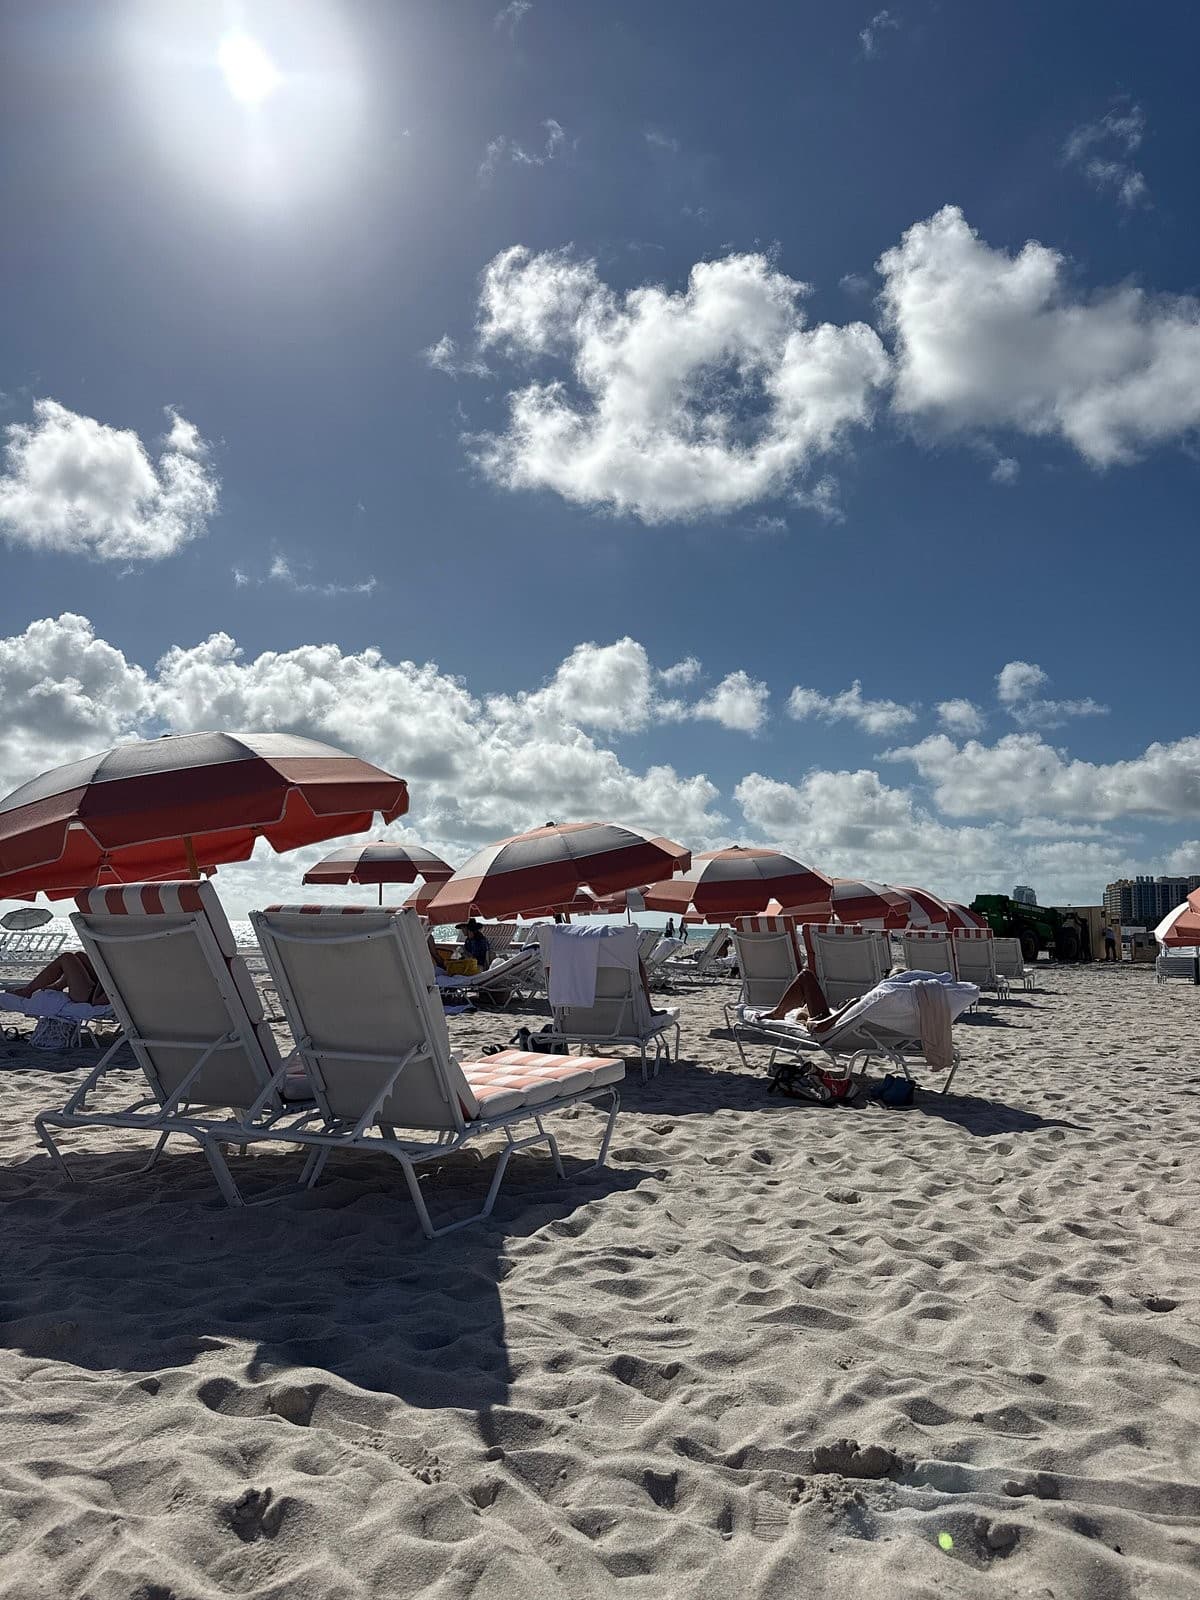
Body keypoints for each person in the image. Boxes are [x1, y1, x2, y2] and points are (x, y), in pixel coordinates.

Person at [11, 950, 106, 1006]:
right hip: (100, 987)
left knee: (67, 957)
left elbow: (102, 1001)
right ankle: (58, 986)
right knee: (79, 955)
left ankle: (28, 991)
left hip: (91, 996)